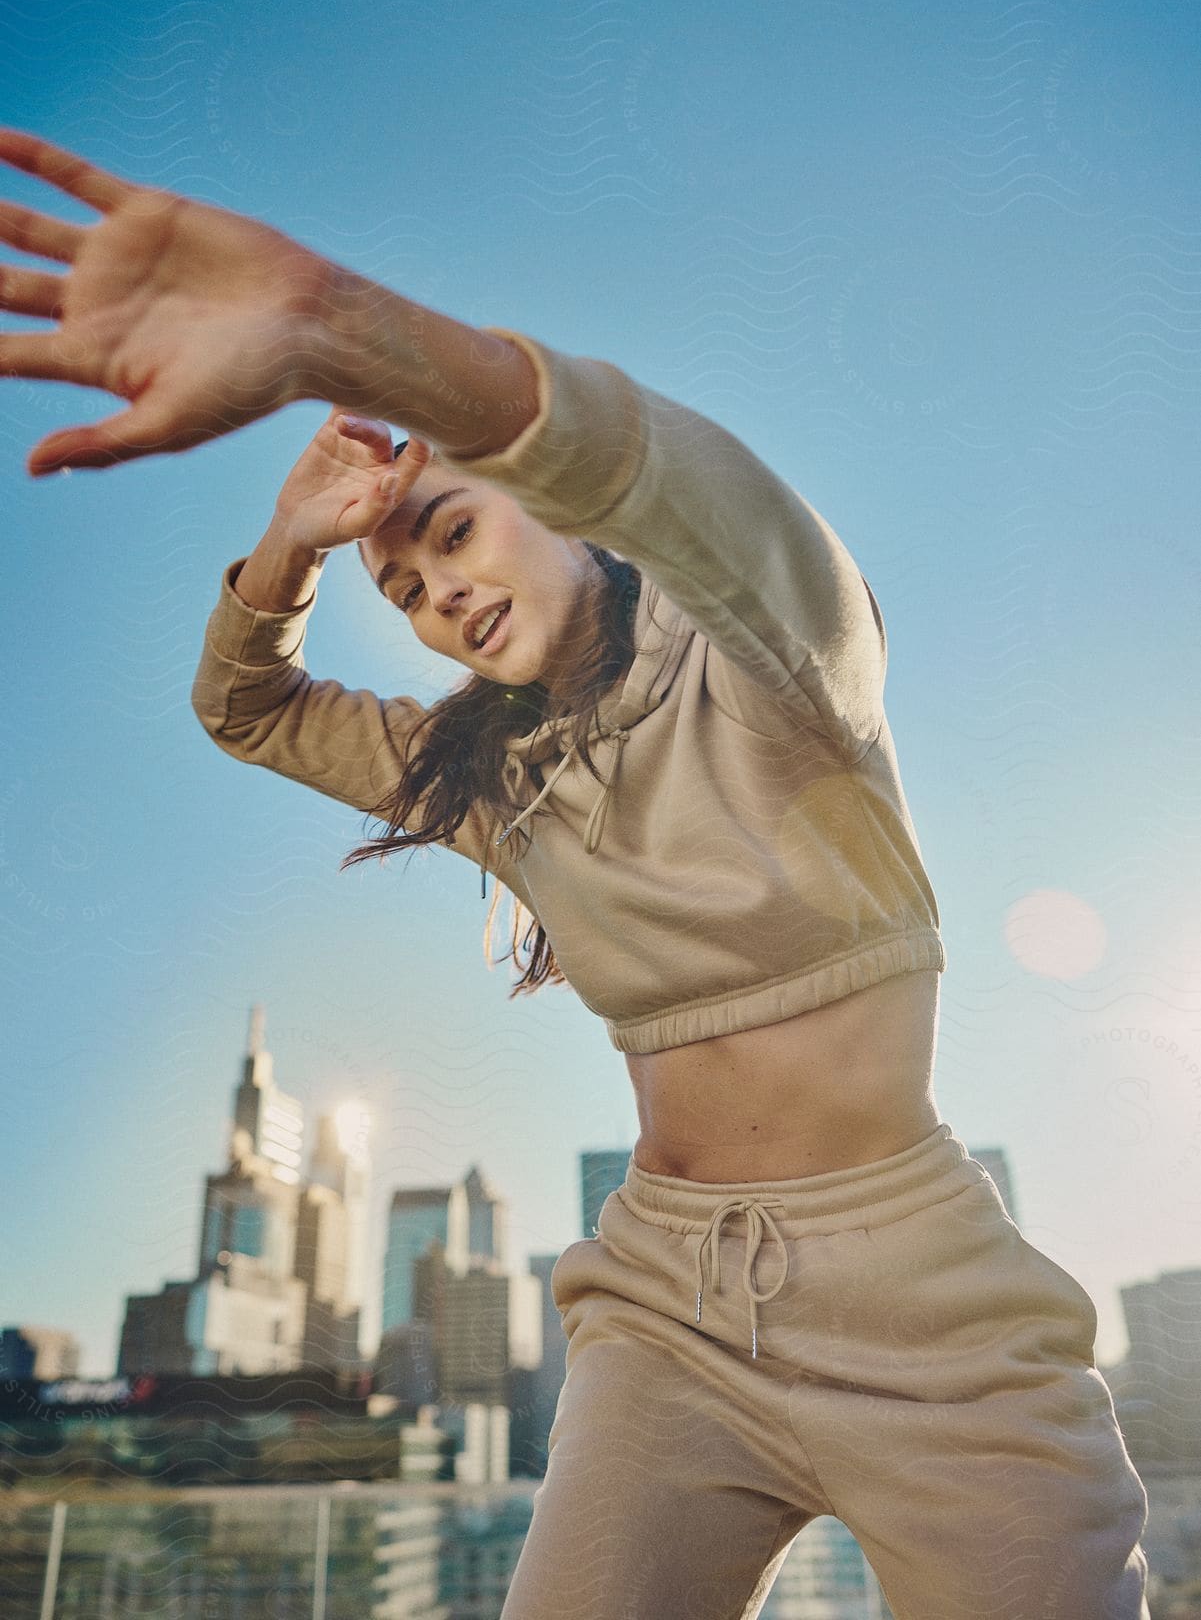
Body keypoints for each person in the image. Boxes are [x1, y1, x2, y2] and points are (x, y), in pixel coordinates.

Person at [1, 130, 1151, 1617]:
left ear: (569, 515)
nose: (437, 594)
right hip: (660, 1315)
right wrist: (293, 542)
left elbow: (691, 495)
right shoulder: (498, 785)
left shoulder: (777, 665)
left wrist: (362, 338)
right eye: (404, 589)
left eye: (457, 532)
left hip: (922, 1305)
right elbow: (252, 708)